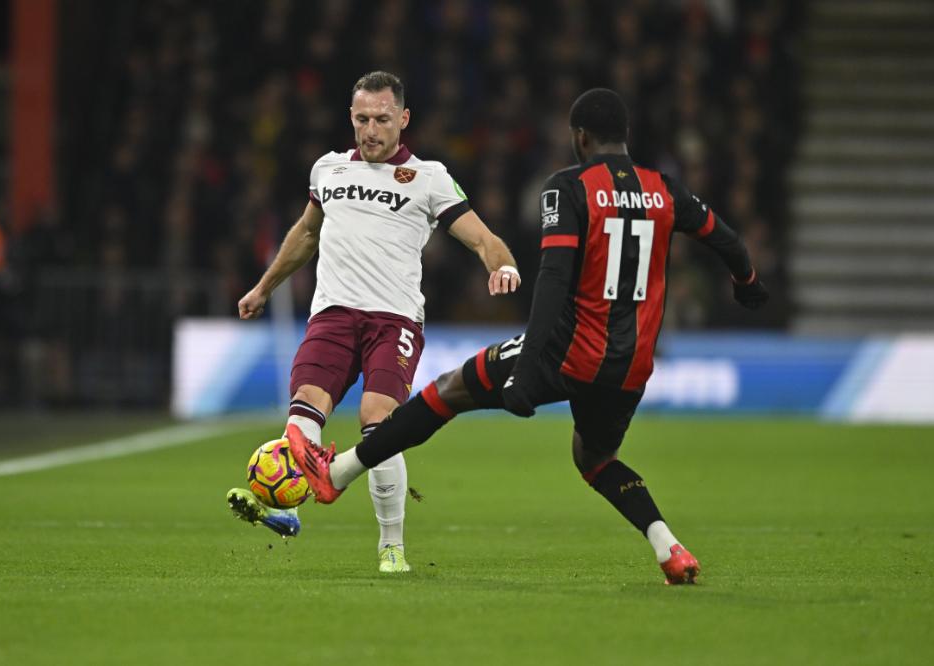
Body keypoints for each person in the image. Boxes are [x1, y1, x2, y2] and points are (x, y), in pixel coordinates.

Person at [287, 88, 768, 584]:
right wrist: (748, 282)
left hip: (567, 349)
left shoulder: (567, 187)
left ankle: (337, 473)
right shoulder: (665, 189)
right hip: (631, 364)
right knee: (596, 458)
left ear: (579, 137)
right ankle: (669, 548)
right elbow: (727, 240)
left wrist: (528, 368)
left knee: (450, 389)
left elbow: (554, 282)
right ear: (624, 136)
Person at [226, 71, 521, 573]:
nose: (371, 130)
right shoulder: (329, 170)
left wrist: (505, 266)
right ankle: (287, 508)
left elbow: (481, 238)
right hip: (332, 315)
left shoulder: (428, 177)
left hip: (394, 320)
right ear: (351, 118)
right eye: (362, 119)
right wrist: (263, 287)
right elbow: (305, 233)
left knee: (377, 427)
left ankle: (392, 546)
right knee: (301, 420)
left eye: (382, 119)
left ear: (403, 120)